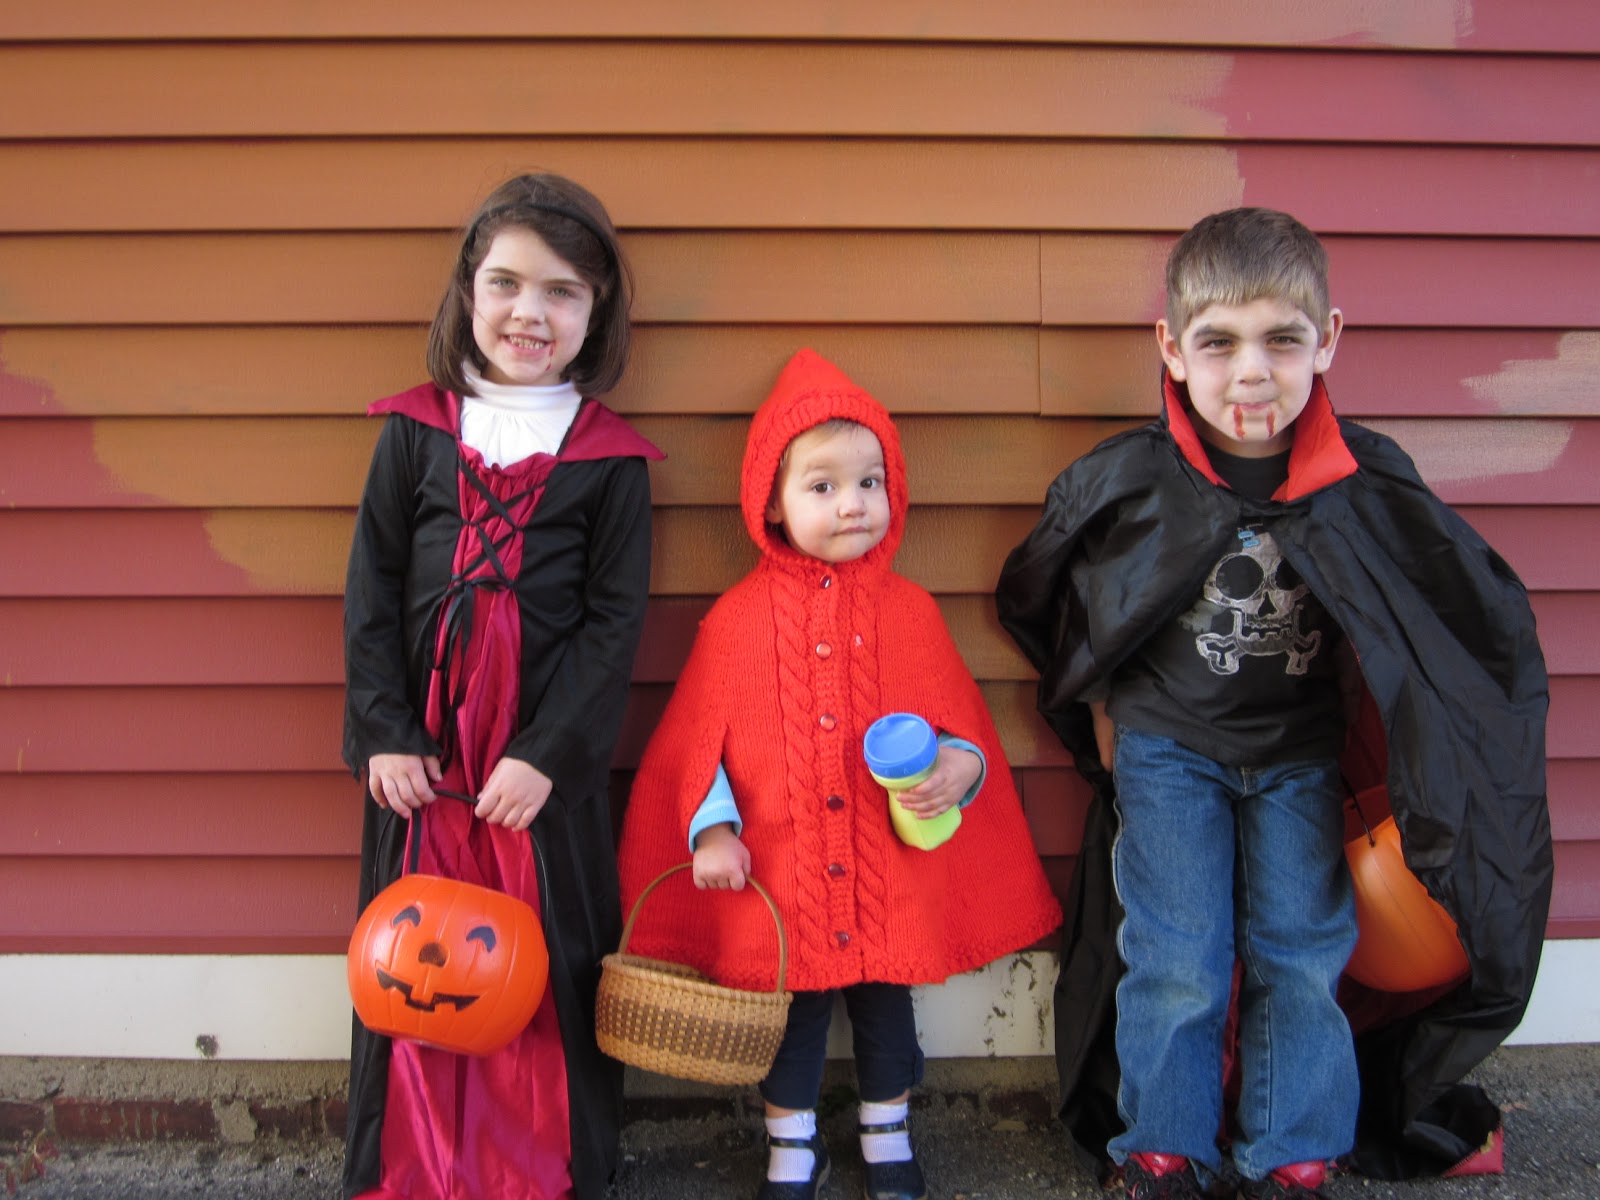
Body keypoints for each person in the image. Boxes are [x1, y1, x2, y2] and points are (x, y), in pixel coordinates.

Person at [997, 208, 1551, 1200]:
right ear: (1172, 348)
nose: (1250, 373)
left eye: (1281, 341)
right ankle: (1162, 1149)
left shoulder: (1363, 481)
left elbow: (1446, 624)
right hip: (1169, 754)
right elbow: (1074, 609)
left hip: (1301, 757)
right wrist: (1106, 724)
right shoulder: (1130, 481)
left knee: (1302, 950)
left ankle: (1291, 1151)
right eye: (1218, 343)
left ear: (1327, 339)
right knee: (1177, 954)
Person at [616, 349, 1061, 1200]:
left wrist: (959, 767)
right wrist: (713, 830)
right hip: (780, 878)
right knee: (790, 1020)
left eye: (869, 482)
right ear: (771, 503)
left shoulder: (909, 612)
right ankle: (792, 1146)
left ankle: (887, 1132)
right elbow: (698, 746)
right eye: (821, 486)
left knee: (889, 1014)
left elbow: (958, 723)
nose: (852, 503)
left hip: (886, 873)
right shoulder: (737, 623)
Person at [341, 172, 663, 1200]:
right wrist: (384, 729)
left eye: (563, 291)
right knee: (416, 956)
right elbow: (371, 587)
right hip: (427, 762)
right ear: (468, 292)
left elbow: (613, 626)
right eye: (507, 283)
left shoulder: (610, 461)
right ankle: (412, 1171)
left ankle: (539, 1172)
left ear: (596, 311)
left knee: (542, 954)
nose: (531, 312)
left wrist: (548, 756)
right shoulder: (417, 432)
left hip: (532, 761)